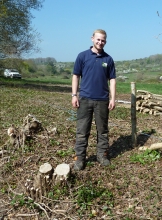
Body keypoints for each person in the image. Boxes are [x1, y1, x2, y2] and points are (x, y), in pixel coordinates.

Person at [71, 29, 116, 171]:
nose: (100, 42)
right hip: (84, 99)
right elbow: (75, 76)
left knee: (102, 131)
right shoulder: (82, 56)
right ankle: (80, 158)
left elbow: (113, 80)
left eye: (103, 40)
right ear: (92, 39)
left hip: (102, 100)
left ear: (105, 42)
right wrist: (74, 95)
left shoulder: (108, 59)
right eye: (98, 39)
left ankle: (102, 155)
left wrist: (113, 98)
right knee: (82, 130)